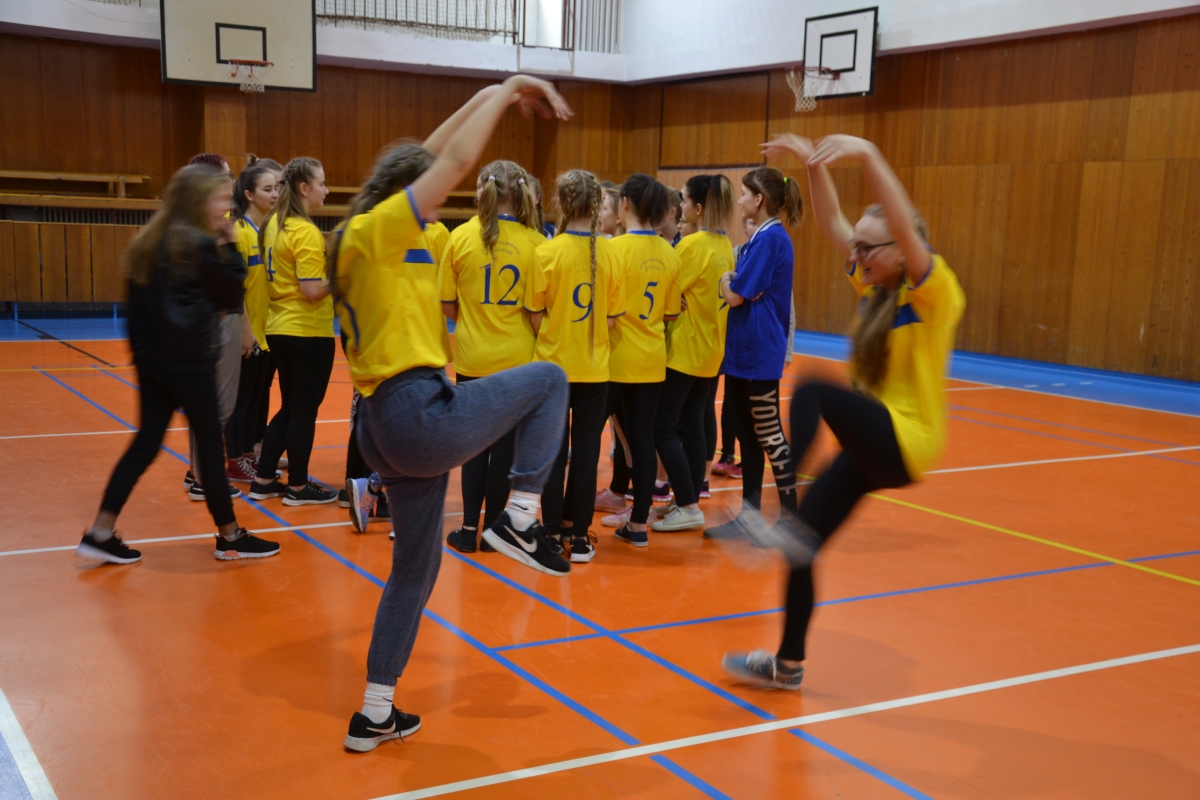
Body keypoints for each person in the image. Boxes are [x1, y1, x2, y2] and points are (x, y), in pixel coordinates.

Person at [330, 76, 574, 752]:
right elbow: (454, 161)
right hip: (413, 411)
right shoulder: (378, 230)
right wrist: (508, 90)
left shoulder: (374, 232)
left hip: (383, 423)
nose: (438, 206)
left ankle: (375, 711)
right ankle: (519, 516)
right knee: (550, 380)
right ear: (406, 195)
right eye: (430, 197)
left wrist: (493, 91)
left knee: (415, 569)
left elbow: (430, 154)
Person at [721, 133, 965, 689]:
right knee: (802, 546)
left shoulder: (934, 293)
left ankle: (780, 504)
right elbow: (833, 222)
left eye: (869, 248)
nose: (856, 257)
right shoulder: (875, 285)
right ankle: (787, 664)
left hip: (908, 440)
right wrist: (813, 164)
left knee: (813, 387)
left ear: (902, 249)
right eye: (857, 248)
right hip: (874, 442)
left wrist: (869, 156)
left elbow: (900, 223)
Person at [75, 164, 280, 565]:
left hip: (154, 364)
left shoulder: (150, 241)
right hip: (189, 363)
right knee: (210, 448)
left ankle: (100, 531)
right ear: (199, 201)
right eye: (220, 198)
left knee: (145, 444)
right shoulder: (199, 244)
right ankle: (230, 536)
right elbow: (229, 297)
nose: (227, 207)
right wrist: (228, 246)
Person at [439, 159, 545, 553]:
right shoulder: (537, 242)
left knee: (473, 448)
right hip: (518, 359)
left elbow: (446, 302)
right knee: (504, 450)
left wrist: (473, 321)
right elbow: (539, 310)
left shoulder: (461, 236)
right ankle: (494, 534)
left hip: (472, 356)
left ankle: (468, 529)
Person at [527, 169, 625, 563]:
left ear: (561, 204)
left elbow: (535, 315)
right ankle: (580, 537)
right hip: (595, 370)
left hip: (553, 371)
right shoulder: (612, 254)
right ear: (598, 207)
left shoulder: (546, 252)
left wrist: (557, 335)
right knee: (586, 454)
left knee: (553, 454)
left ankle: (551, 533)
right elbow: (613, 319)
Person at [703, 167, 802, 540]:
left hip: (759, 354)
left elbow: (735, 294)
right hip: (744, 353)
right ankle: (749, 516)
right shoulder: (760, 238)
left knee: (769, 433)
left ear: (759, 200)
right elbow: (741, 288)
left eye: (744, 194)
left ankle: (791, 519)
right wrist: (734, 282)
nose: (740, 201)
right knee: (746, 432)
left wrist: (726, 280)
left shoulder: (769, 240)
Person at [248, 157, 338, 506]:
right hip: (307, 330)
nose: (326, 190)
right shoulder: (304, 231)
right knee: (303, 411)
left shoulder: (273, 223)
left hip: (280, 327)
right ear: (304, 188)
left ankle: (264, 478)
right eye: (321, 183)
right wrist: (343, 278)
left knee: (291, 407)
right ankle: (298, 486)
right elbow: (312, 289)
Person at [651, 174, 734, 533]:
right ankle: (689, 498)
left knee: (663, 428)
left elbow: (666, 293)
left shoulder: (691, 244)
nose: (680, 206)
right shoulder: (724, 243)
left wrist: (673, 300)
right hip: (711, 350)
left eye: (684, 200)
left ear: (698, 208)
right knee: (693, 425)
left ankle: (687, 503)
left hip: (684, 350)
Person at [602, 174, 680, 546]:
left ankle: (570, 523)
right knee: (644, 441)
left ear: (625, 204)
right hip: (651, 360)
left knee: (589, 438)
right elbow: (670, 312)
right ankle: (637, 526)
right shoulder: (669, 251)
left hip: (615, 359)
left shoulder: (613, 249)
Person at [179, 153, 246, 503]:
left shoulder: (203, 223)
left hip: (219, 319)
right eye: (226, 176)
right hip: (216, 321)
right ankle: (204, 478)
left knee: (217, 405)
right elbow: (225, 284)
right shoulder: (206, 229)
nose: (230, 182)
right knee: (218, 405)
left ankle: (198, 472)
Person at [224, 157, 280, 484]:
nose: (275, 195)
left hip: (266, 330)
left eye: (277, 189)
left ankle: (248, 453)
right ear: (249, 194)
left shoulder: (266, 232)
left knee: (256, 399)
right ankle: (234, 459)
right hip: (247, 332)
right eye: (268, 189)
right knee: (241, 401)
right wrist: (245, 330)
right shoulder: (240, 232)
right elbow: (236, 288)